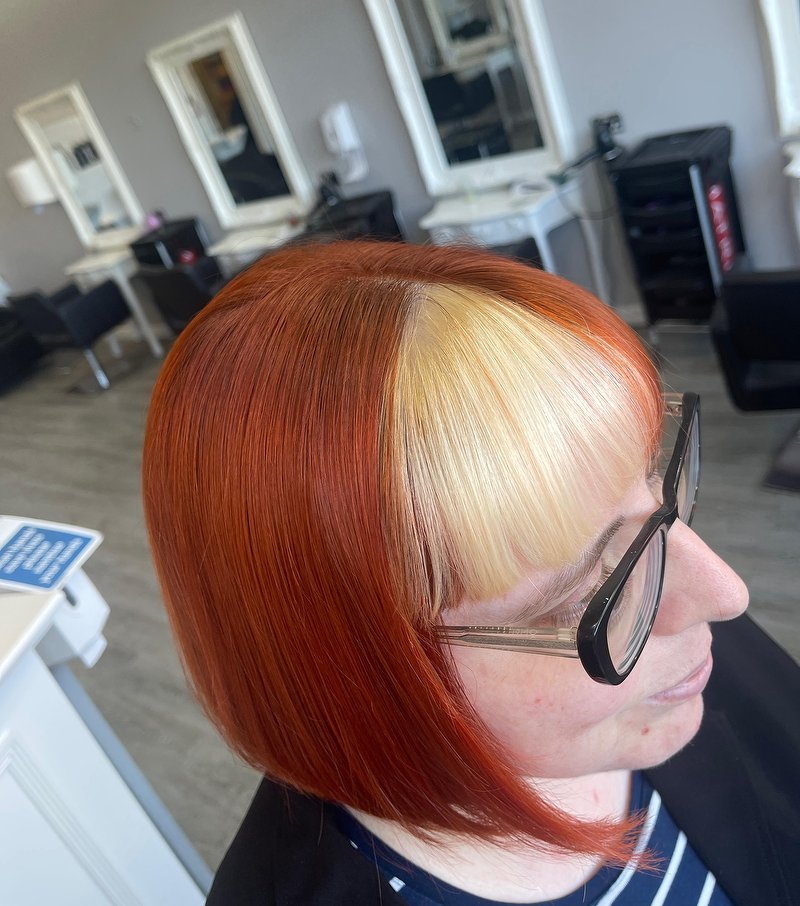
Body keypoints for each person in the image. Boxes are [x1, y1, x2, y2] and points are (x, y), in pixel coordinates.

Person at [142, 241, 799, 906]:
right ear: (354, 673)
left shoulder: (680, 647)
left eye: (656, 482)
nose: (725, 594)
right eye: (583, 595)